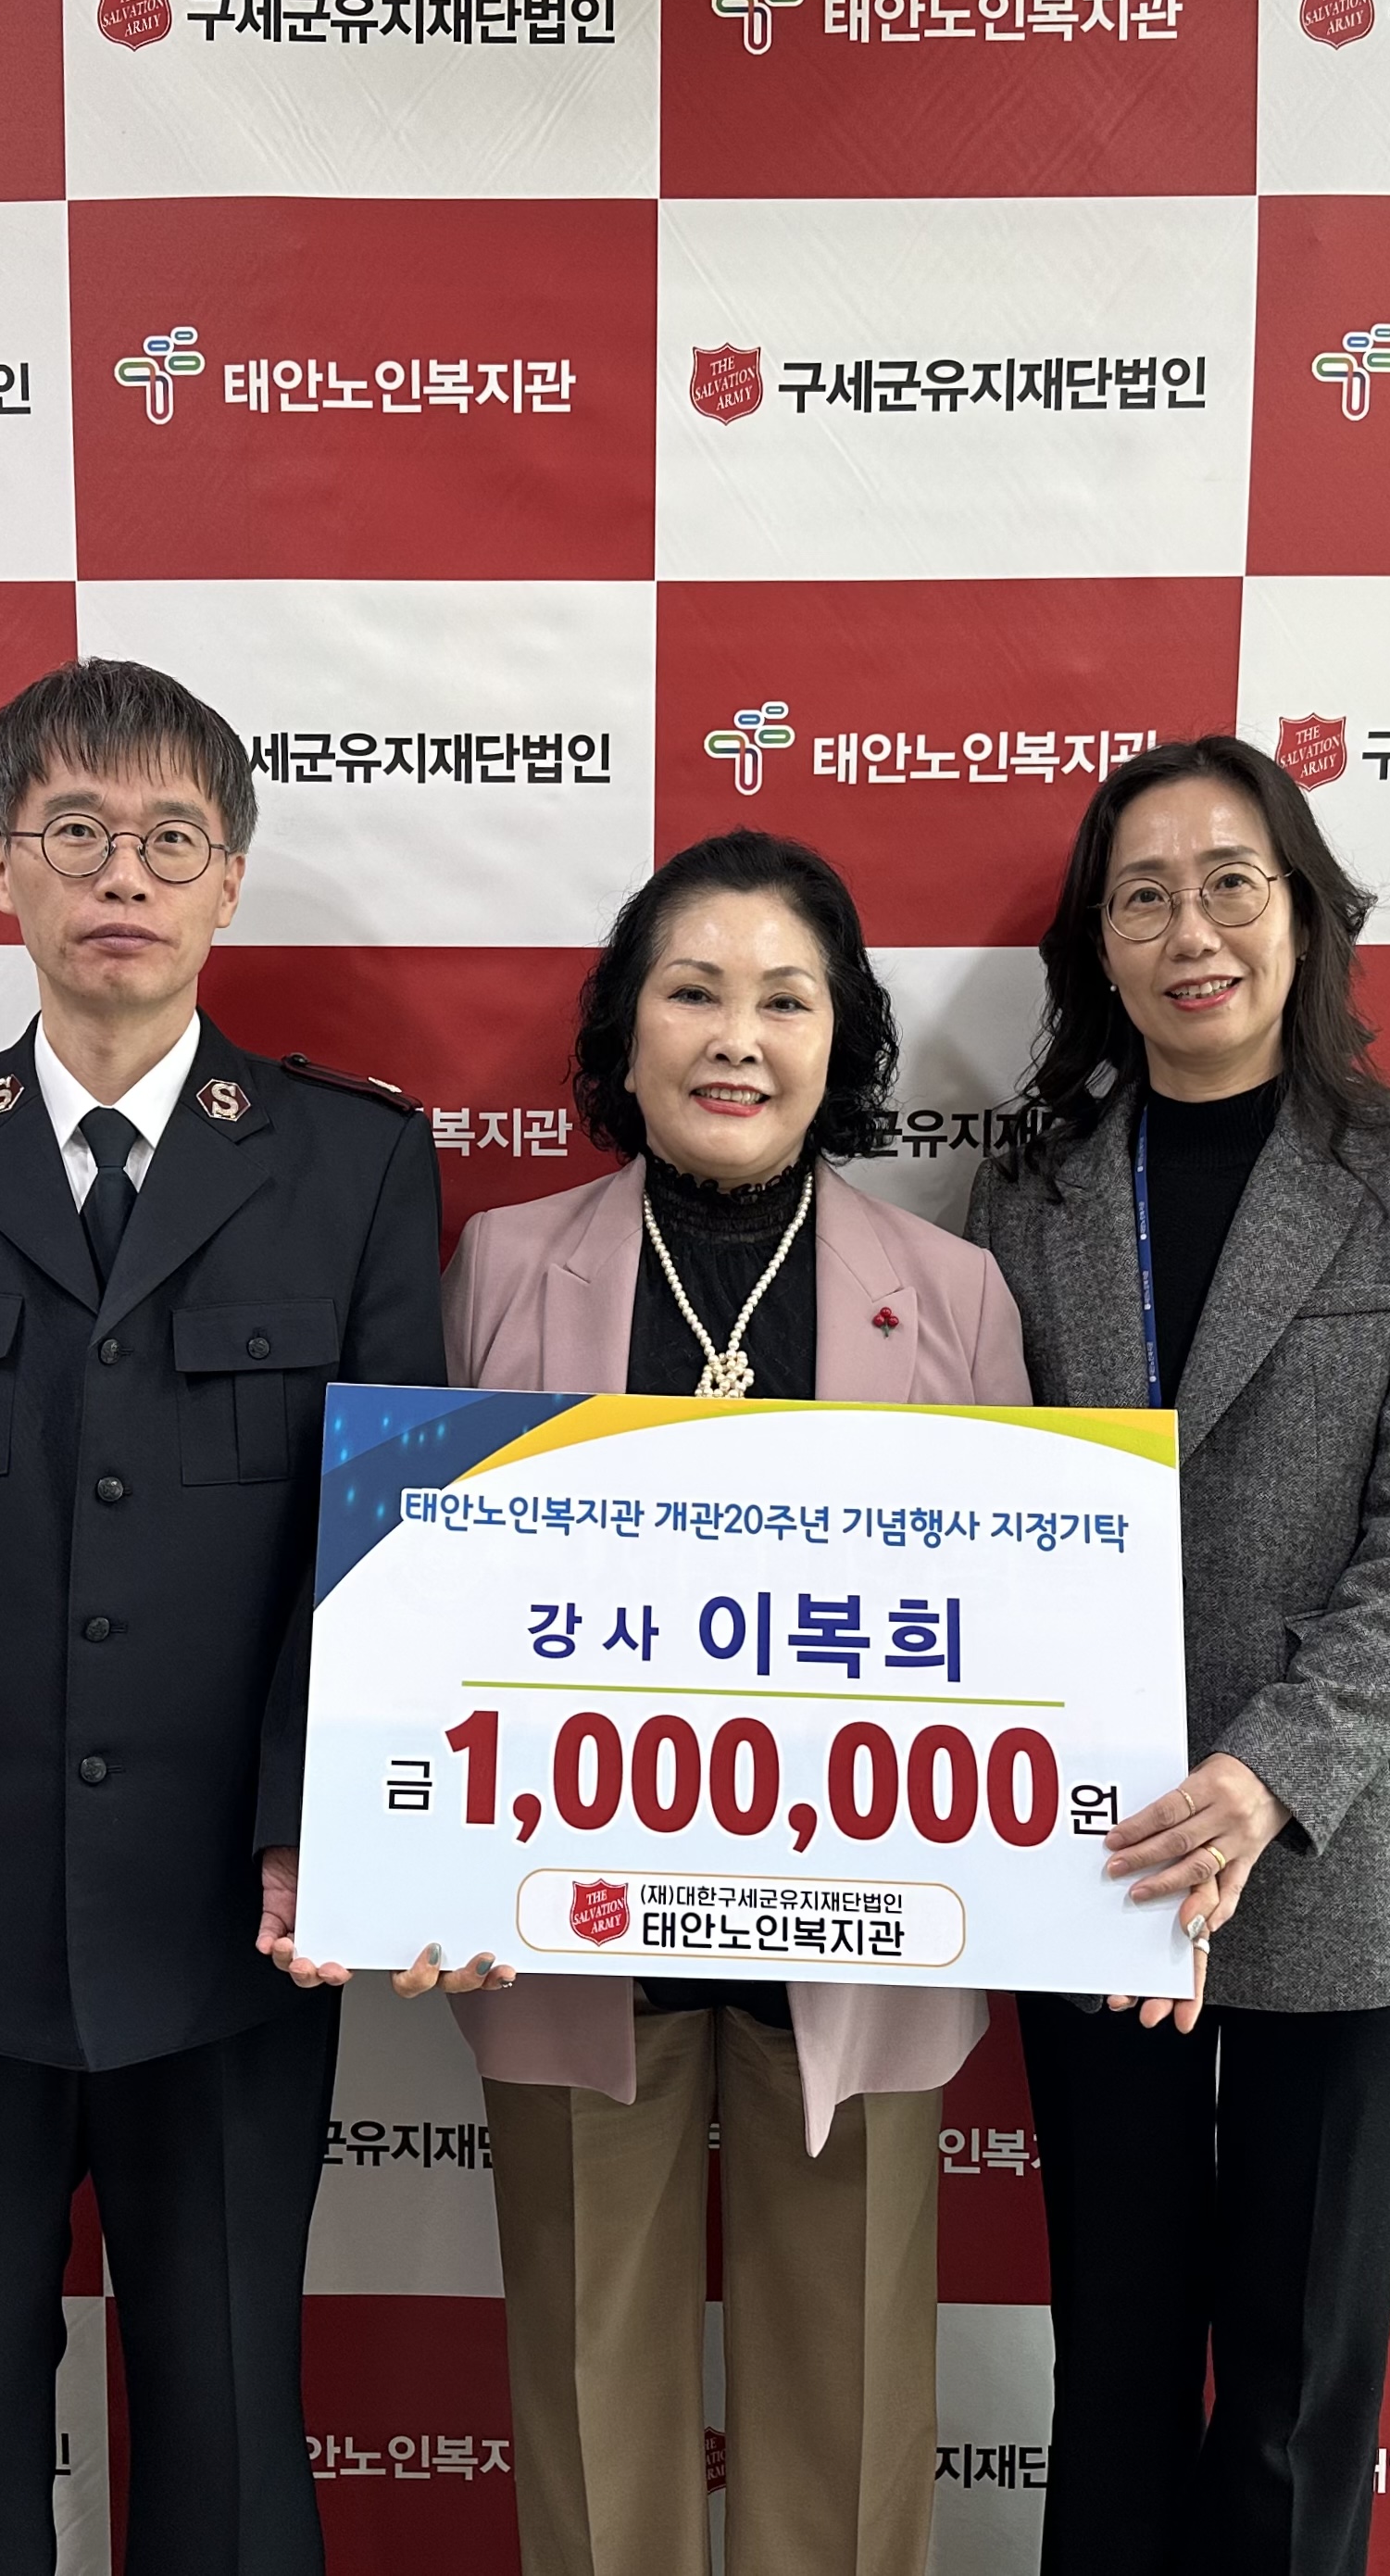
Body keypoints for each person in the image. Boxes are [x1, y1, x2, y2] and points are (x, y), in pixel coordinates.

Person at [0, 657, 445, 2576]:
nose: (121, 874)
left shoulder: (354, 1163)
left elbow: (380, 1541)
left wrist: (322, 1826)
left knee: (227, 2411)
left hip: (235, 1909)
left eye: (168, 836)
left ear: (230, 880)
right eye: (74, 832)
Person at [428, 829, 1028, 2576]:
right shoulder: (500, 1264)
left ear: (845, 1042)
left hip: (865, 1937)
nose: (737, 1038)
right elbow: (429, 1608)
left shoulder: (954, 1292)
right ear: (625, 1034)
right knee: (589, 2389)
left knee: (849, 2411)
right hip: (564, 1934)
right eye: (693, 992)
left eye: (787, 999)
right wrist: (425, 1861)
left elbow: (1016, 1641)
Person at [965, 737, 1390, 2576]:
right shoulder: (1034, 1194)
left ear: (1302, 916)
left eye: (1232, 884)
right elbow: (987, 1514)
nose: (1191, 931)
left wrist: (1269, 1773)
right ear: (1097, 945)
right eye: (1143, 896)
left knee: (1296, 2390)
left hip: (1348, 1851)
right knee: (1115, 2366)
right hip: (1098, 1848)